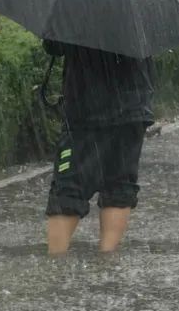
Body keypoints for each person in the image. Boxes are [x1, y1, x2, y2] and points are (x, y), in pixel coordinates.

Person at [42, 40, 155, 255]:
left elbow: (54, 46)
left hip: (86, 106)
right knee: (119, 184)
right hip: (133, 105)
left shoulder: (75, 7)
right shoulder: (142, 9)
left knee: (68, 186)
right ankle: (106, 260)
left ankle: (55, 263)